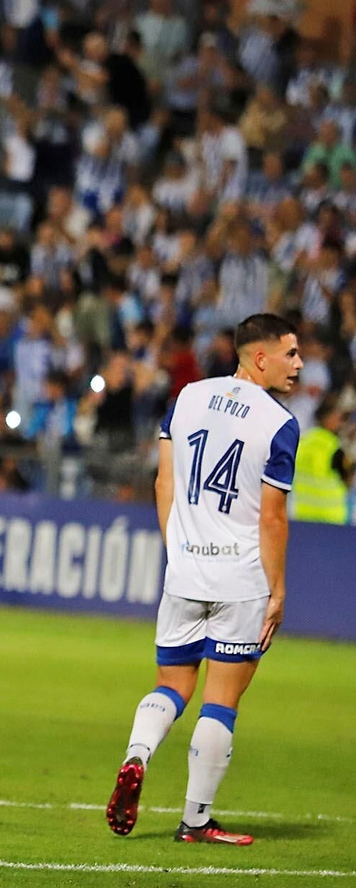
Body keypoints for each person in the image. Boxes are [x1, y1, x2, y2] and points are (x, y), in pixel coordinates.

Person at [106, 313, 301, 846]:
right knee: (221, 699)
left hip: (185, 569)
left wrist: (180, 552)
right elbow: (271, 518)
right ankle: (195, 820)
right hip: (241, 577)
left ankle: (136, 756)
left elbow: (163, 481)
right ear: (260, 357)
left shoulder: (188, 396)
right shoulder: (279, 423)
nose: (299, 363)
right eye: (290, 353)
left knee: (172, 684)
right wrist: (278, 591)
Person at [290, 399, 350, 524]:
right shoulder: (334, 446)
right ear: (327, 418)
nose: (341, 423)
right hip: (331, 519)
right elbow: (347, 480)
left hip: (303, 515)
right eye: (338, 418)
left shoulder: (303, 441)